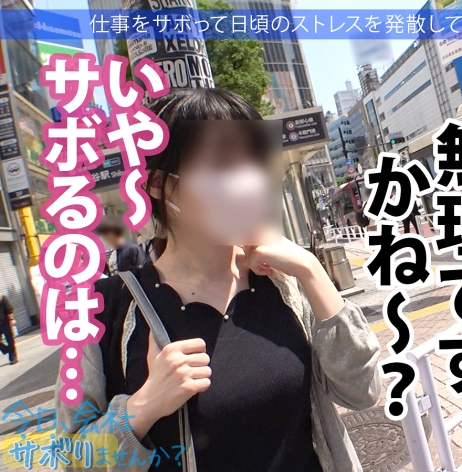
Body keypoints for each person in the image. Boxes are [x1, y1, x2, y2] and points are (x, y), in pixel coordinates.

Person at [56, 88, 382, 472]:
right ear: (159, 183)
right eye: (222, 164)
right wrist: (142, 408)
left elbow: (363, 391)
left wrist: (312, 272)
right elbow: (71, 458)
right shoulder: (102, 309)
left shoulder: (282, 280)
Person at [0, 293, 17, 365]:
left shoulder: (1, 297)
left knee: (10, 340)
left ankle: (13, 358)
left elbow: (9, 309)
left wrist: (11, 319)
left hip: (5, 322)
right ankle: (6, 349)